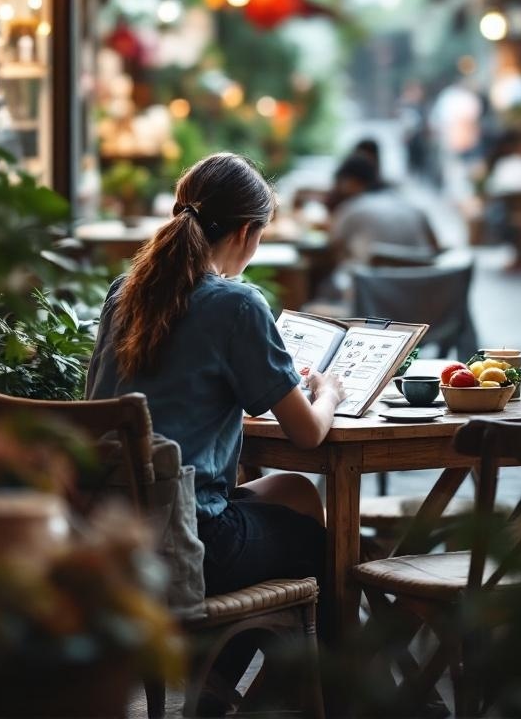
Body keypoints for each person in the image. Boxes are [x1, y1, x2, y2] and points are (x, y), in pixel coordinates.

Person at [86, 152, 344, 713]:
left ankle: (216, 690)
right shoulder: (236, 303)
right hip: (184, 543)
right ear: (248, 232)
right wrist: (328, 393)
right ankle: (324, 696)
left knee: (296, 493)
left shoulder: (125, 291)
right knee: (317, 545)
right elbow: (306, 434)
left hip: (111, 532)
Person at [328, 153, 440, 266]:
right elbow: (435, 248)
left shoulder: (351, 209)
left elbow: (334, 247)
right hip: (425, 275)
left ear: (350, 182)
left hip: (375, 276)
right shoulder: (409, 205)